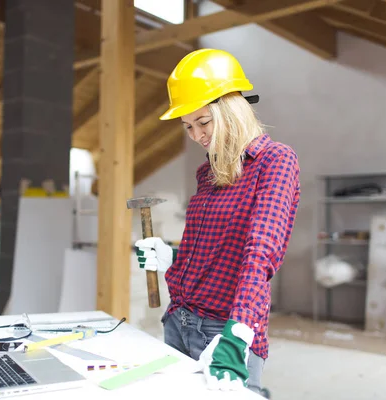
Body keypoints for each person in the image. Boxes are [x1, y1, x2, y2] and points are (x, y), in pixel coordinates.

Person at [135, 48, 301, 397]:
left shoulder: (275, 161)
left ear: (230, 109)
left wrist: (237, 335)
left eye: (203, 122)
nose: (196, 135)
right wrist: (172, 260)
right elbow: (209, 250)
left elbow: (260, 254)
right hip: (178, 320)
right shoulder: (206, 173)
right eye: (188, 126)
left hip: (224, 331)